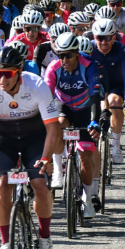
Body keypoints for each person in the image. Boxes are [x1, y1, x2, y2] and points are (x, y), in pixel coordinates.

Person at [0, 46, 60, 249]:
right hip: (2, 137)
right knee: (1, 184)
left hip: (34, 136)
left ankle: (44, 238)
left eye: (7, 73)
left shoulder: (37, 85)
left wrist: (47, 158)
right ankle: (5, 243)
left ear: (19, 70)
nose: (1, 78)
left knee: (40, 183)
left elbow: (52, 128)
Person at [45, 32, 105, 217]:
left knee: (86, 157)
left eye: (68, 55)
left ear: (76, 53)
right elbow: (46, 97)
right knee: (58, 124)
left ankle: (87, 198)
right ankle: (57, 170)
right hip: (63, 105)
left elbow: (95, 96)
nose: (64, 59)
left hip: (85, 109)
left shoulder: (89, 65)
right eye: (60, 55)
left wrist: (95, 120)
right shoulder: (53, 68)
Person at [89, 19, 125, 164]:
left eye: (107, 38)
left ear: (114, 37)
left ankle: (116, 143)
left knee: (114, 102)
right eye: (99, 38)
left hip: (115, 85)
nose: (103, 42)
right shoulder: (88, 48)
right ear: (94, 37)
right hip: (95, 85)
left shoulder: (123, 50)